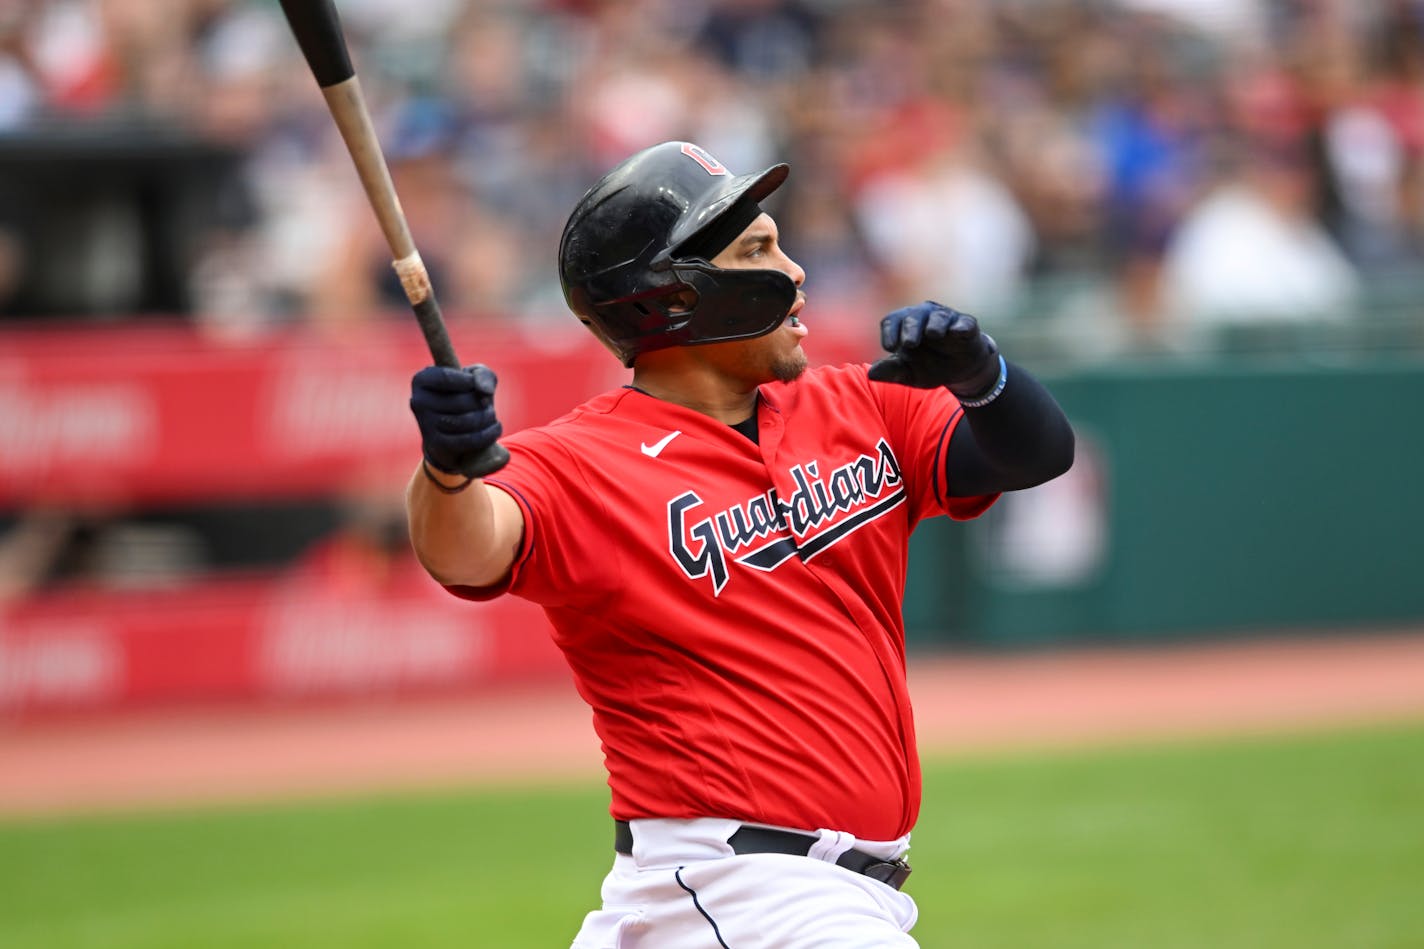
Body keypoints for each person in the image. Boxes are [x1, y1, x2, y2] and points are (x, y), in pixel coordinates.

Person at [405, 140, 1075, 947]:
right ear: (677, 298)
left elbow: (1036, 453)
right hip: (743, 886)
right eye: (757, 250)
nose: (795, 273)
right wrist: (446, 470)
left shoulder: (859, 403)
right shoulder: (583, 462)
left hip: (792, 899)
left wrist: (982, 373)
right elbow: (468, 548)